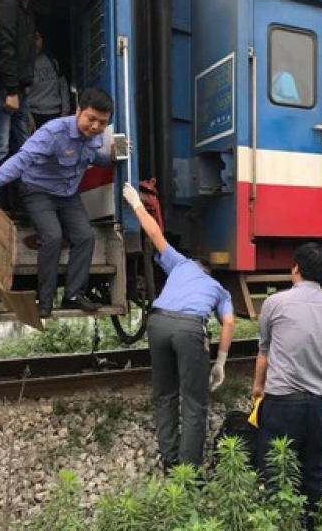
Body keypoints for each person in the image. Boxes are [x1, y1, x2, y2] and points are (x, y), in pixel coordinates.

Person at [123, 183, 236, 469]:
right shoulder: (219, 289)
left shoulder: (181, 264)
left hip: (158, 322)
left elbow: (154, 232)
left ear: (195, 265)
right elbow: (229, 322)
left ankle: (170, 462)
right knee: (194, 402)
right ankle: (189, 470)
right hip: (189, 329)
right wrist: (220, 361)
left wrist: (136, 202)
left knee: (164, 395)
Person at [0, 87, 116, 318]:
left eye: (102, 123)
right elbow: (23, 159)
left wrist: (113, 156)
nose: (95, 127)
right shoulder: (53, 132)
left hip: (67, 194)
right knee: (52, 236)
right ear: (78, 111)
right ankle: (44, 301)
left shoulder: (95, 137)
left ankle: (73, 296)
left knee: (85, 236)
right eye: (91, 119)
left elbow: (92, 157)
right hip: (37, 190)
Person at [251, 243, 322, 530]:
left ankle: (280, 521)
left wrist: (258, 387)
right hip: (317, 401)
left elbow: (265, 351)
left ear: (295, 268)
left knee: (275, 468)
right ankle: (313, 523)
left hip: (280, 401)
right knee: (316, 469)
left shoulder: (275, 303)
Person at [0, 0, 44, 214]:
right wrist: (12, 91)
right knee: (2, 148)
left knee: (24, 148)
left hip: (20, 90)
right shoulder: (6, 4)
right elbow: (5, 48)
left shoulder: (27, 10)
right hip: (8, 88)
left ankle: (17, 204)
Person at [29, 31, 70, 130]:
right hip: (33, 114)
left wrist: (65, 111)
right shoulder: (24, 64)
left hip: (55, 113)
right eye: (31, 39)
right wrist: (27, 115)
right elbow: (21, 93)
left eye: (37, 38)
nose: (35, 43)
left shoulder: (53, 61)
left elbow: (63, 87)